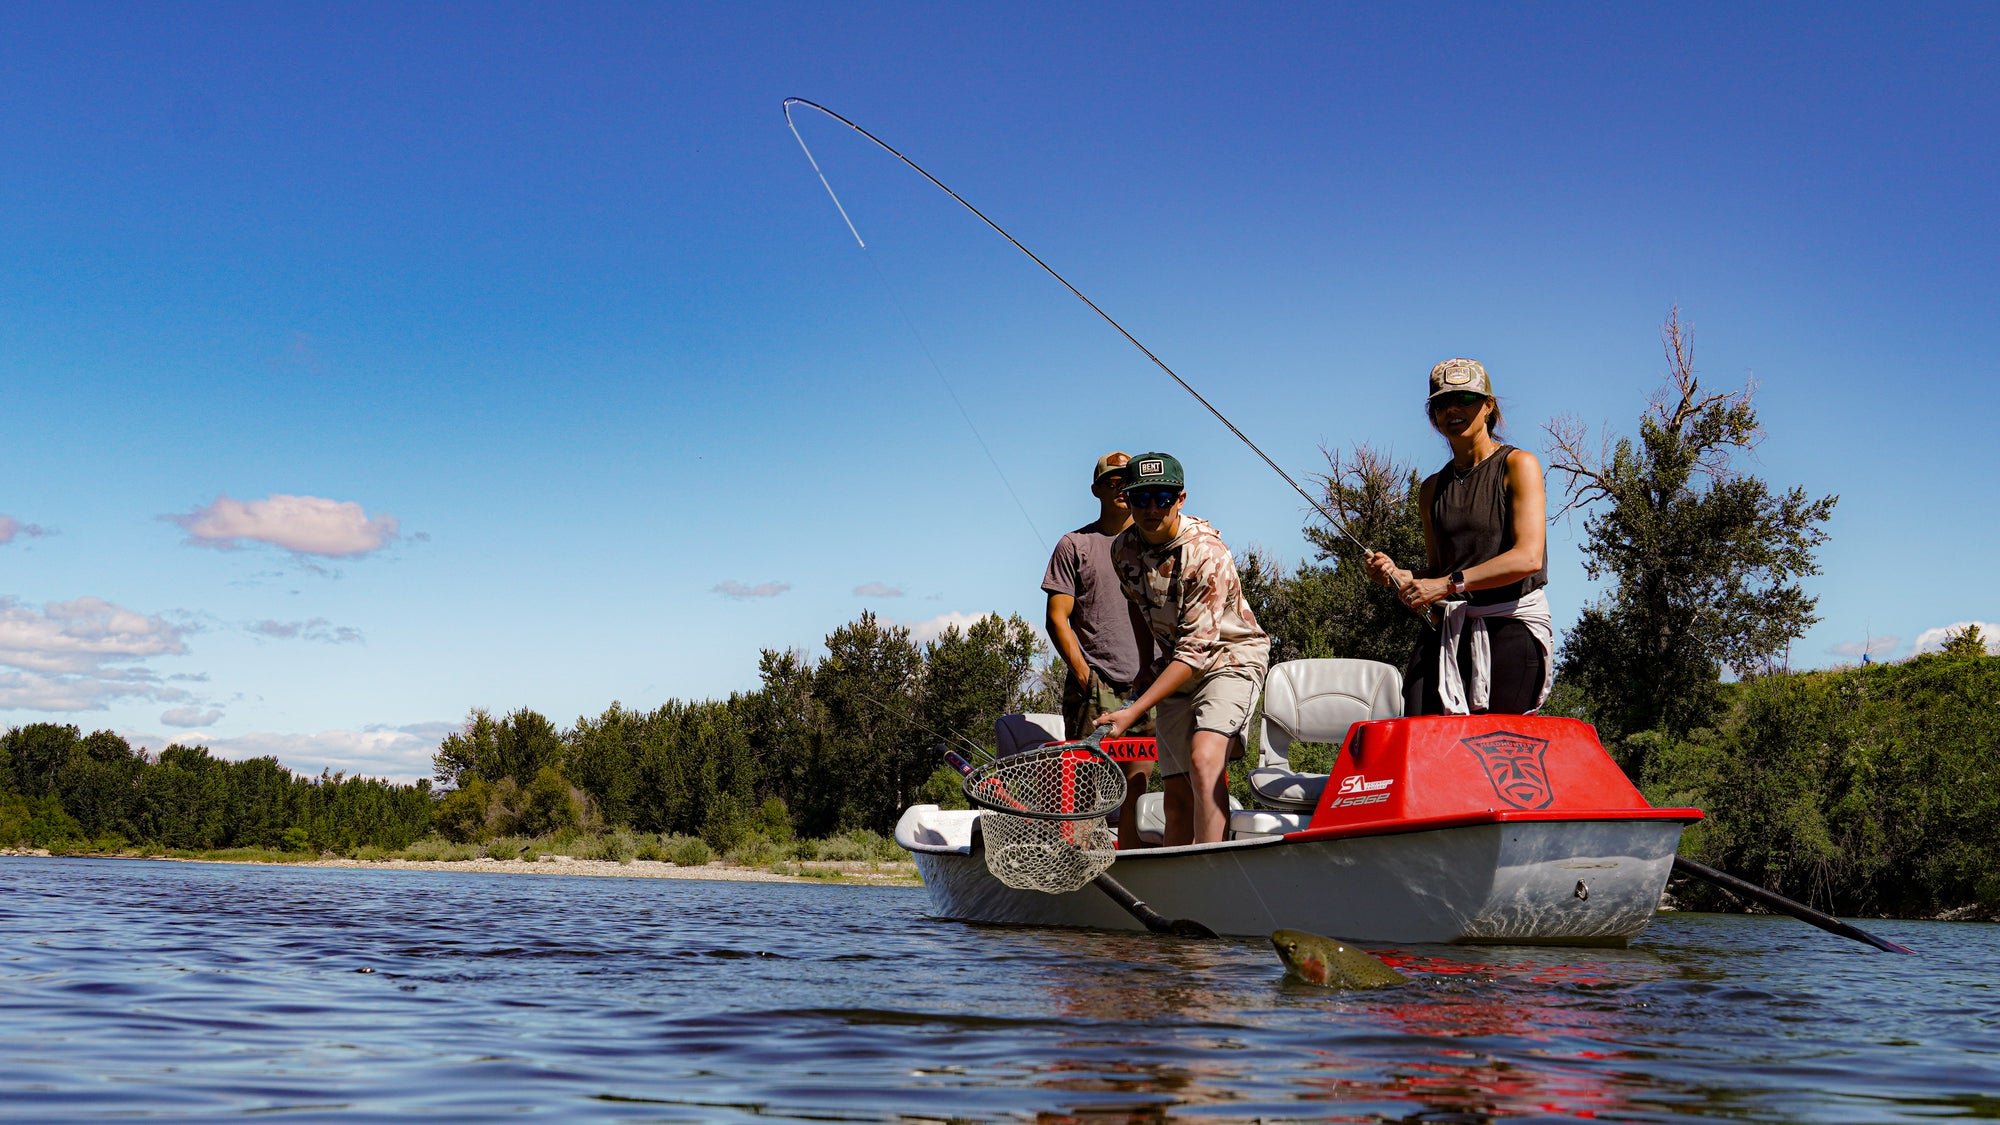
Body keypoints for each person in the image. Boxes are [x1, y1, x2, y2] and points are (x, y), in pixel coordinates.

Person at [1092, 453, 1270, 846]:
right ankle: (1179, 886)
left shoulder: (1206, 553)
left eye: (1162, 497)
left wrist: (1131, 712)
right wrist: (1143, 666)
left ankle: (1212, 871)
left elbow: (1195, 655)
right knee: (1175, 792)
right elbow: (1136, 603)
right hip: (1175, 666)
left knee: (1204, 761)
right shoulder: (1123, 549)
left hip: (1230, 658)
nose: (1152, 508)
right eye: (1141, 498)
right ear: (1126, 499)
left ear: (1181, 499)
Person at [1365, 358, 1551, 716]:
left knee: (1494, 758)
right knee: (1421, 740)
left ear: (1488, 407)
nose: (1452, 409)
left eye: (1465, 399)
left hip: (1510, 631)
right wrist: (1398, 575)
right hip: (1449, 630)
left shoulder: (1519, 465)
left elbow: (1528, 557)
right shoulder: (1431, 489)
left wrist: (1447, 586)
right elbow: (1437, 571)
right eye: (1440, 403)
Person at [1042, 451, 1157, 849]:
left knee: (1136, 791)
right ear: (1096, 490)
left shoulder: (1156, 544)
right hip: (1095, 686)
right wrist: (1085, 676)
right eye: (1112, 482)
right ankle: (1078, 869)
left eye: (1128, 480)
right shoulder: (1075, 544)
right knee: (1085, 795)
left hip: (1148, 687)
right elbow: (1057, 618)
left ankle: (1129, 874)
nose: (1121, 488)